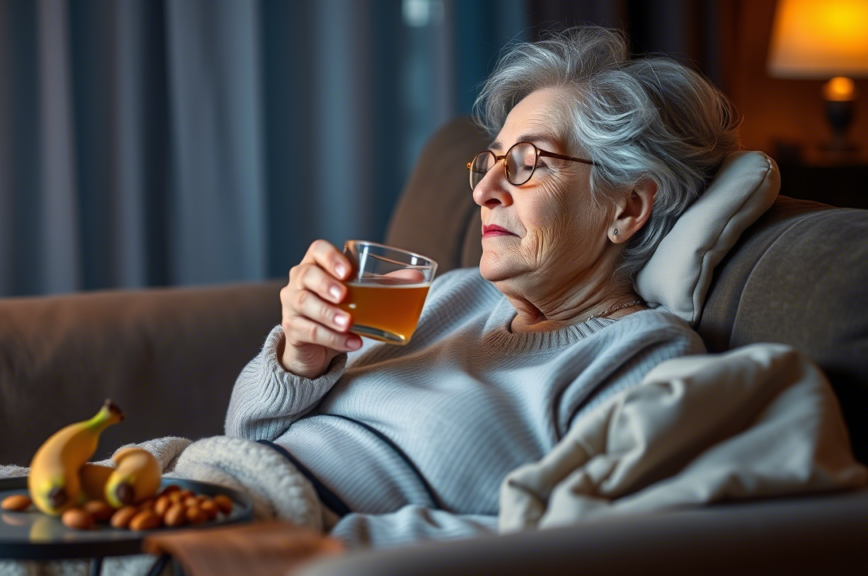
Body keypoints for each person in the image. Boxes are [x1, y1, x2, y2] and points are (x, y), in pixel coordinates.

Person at [226, 25, 740, 548]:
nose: (485, 192)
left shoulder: (640, 358)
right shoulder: (451, 295)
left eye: (527, 164)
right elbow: (245, 436)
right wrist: (299, 359)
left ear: (627, 207)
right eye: (492, 162)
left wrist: (308, 536)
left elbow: (559, 547)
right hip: (208, 492)